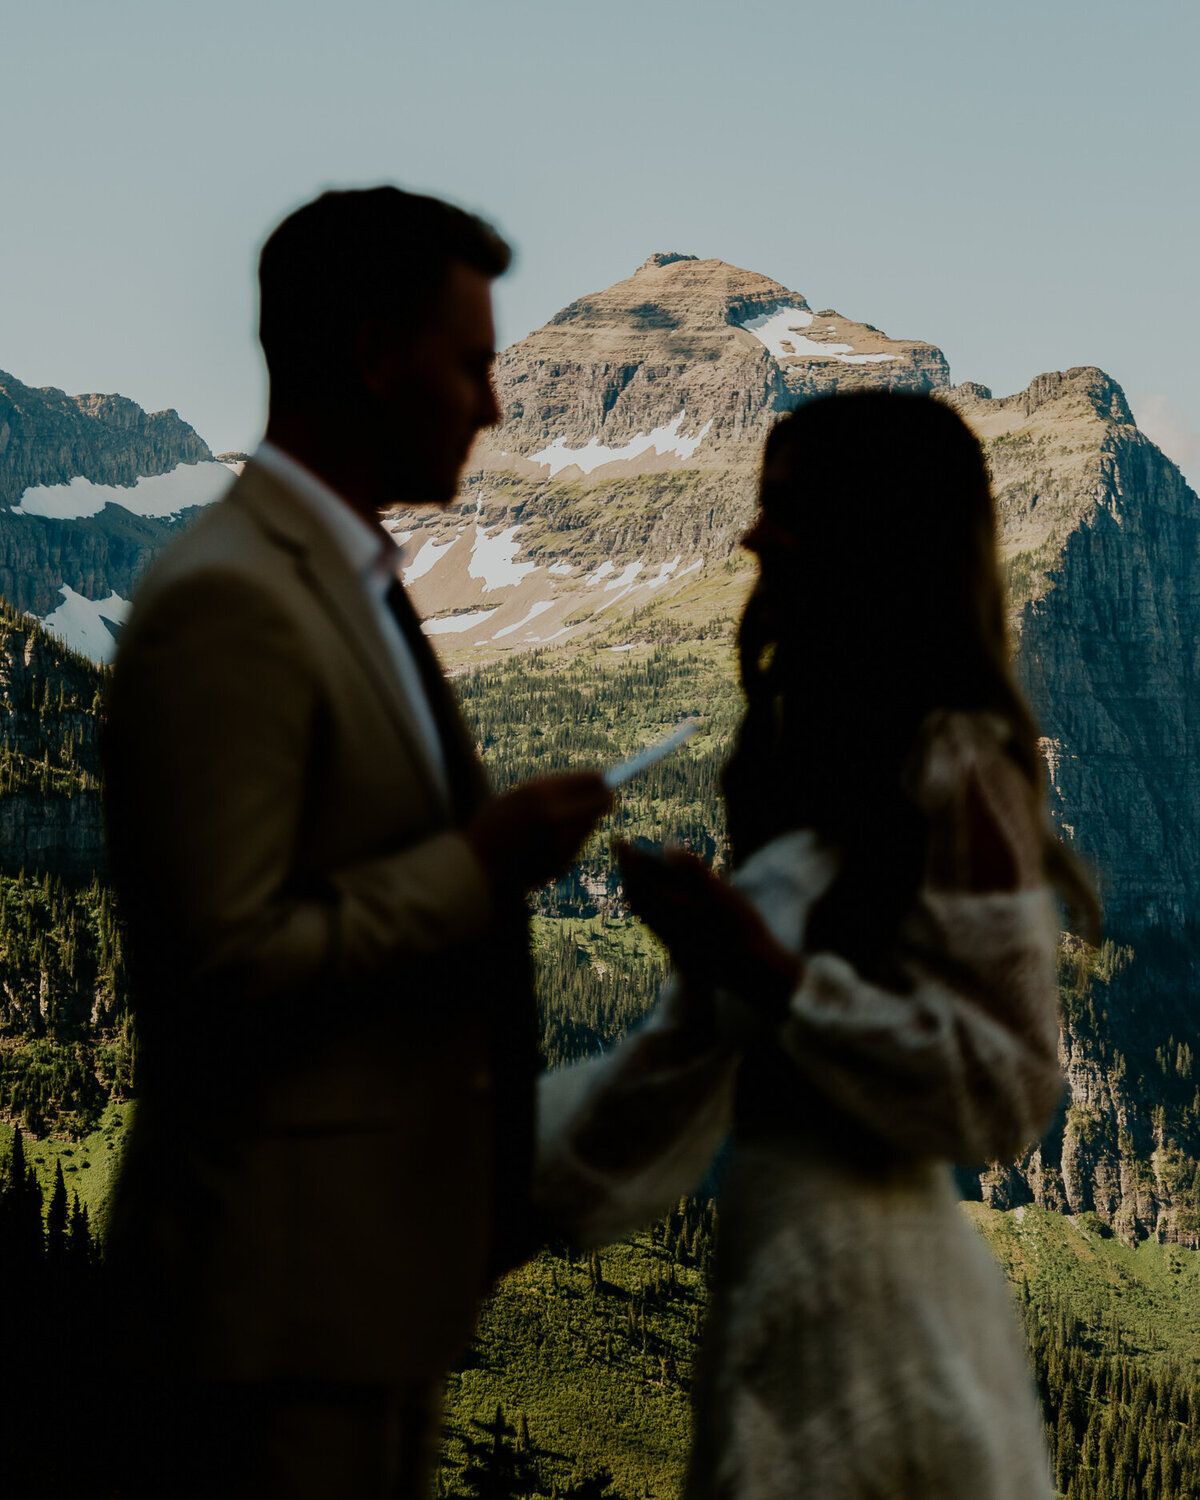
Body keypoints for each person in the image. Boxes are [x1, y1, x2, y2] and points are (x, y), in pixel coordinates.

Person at [102, 186, 612, 1500]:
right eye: (473, 363)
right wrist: (481, 866)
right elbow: (223, 960)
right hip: (269, 1318)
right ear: (376, 354)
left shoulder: (343, 579)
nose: (495, 406)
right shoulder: (231, 596)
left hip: (361, 1295)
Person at [542, 391, 1097, 1499]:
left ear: (874, 540)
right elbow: (676, 1075)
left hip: (892, 1331)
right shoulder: (792, 760)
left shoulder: (954, 762)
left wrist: (770, 974)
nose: (752, 537)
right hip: (775, 1305)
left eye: (787, 511)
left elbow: (1011, 1089)